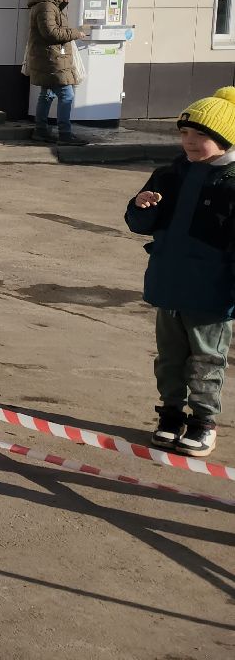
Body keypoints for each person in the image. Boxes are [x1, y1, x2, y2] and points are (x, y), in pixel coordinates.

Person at [125, 88, 235, 459]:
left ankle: (204, 422)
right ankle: (170, 414)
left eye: (200, 135)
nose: (189, 142)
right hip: (168, 284)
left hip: (211, 292)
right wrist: (140, 206)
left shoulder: (232, 183)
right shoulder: (169, 173)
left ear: (225, 139)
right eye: (184, 133)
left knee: (206, 359)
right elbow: (139, 222)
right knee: (169, 357)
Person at [26, 0, 90, 145]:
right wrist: (76, 33)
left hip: (50, 57)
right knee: (66, 94)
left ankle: (40, 131)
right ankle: (65, 134)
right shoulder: (47, 7)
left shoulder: (49, 6)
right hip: (51, 59)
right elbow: (51, 33)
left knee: (47, 94)